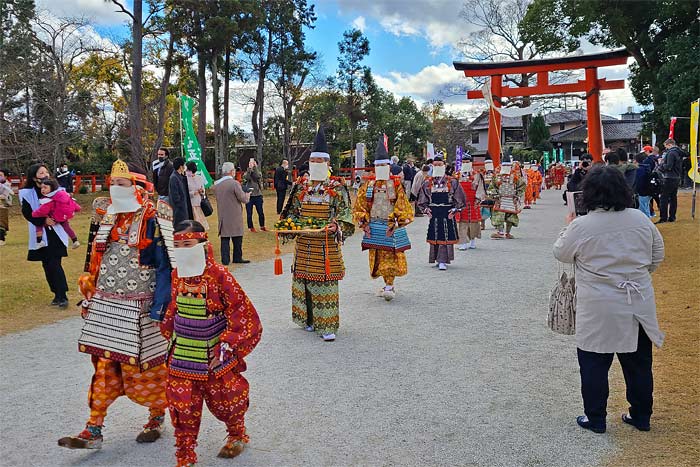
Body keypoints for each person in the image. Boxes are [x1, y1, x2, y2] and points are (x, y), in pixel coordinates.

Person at [58, 160, 172, 450]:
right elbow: (93, 259)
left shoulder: (153, 217)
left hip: (143, 308)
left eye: (122, 184)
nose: (115, 188)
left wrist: (161, 308)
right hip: (108, 305)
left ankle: (157, 415)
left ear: (137, 187)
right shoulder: (105, 215)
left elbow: (166, 266)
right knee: (104, 366)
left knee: (146, 369)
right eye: (112, 183)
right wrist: (90, 293)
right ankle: (93, 427)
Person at [553, 165, 665, 434]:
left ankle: (596, 418)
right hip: (636, 301)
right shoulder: (640, 219)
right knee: (638, 364)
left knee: (594, 363)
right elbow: (656, 256)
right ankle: (641, 416)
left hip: (598, 305)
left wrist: (567, 226)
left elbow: (561, 253)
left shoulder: (582, 225)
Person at [161, 220, 262, 466]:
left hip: (215, 352)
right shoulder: (177, 275)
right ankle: (185, 453)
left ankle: (236, 433)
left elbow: (241, 311)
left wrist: (228, 345)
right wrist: (167, 330)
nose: (183, 249)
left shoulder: (219, 275)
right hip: (184, 352)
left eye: (188, 244)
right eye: (177, 245)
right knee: (181, 403)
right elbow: (174, 309)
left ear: (202, 244)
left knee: (227, 398)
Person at [285, 126, 354, 341]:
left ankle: (327, 325)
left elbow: (345, 213)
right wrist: (291, 226)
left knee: (325, 282)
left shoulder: (337, 186)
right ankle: (309, 319)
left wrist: (337, 226)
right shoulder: (301, 185)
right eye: (313, 162)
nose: (316, 165)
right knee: (304, 281)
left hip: (325, 243)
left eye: (320, 162)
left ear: (327, 163)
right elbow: (292, 212)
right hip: (305, 242)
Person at [353, 136, 414, 301]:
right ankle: (386, 283)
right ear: (374, 167)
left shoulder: (395, 185)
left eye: (383, 165)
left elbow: (402, 205)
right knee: (377, 255)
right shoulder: (368, 185)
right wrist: (363, 221)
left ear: (389, 166)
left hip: (389, 225)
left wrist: (396, 220)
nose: (380, 167)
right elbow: (360, 205)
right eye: (378, 165)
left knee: (390, 255)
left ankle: (389, 285)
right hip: (373, 225)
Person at [18, 163, 70, 307]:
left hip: (56, 232)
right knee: (46, 264)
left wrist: (56, 218)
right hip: (39, 232)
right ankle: (56, 293)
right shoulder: (26, 193)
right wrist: (43, 220)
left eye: (46, 172)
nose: (45, 175)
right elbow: (27, 213)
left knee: (55, 263)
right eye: (41, 173)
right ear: (34, 176)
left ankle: (62, 295)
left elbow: (66, 208)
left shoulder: (58, 190)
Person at [417, 155, 466, 271]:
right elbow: (422, 199)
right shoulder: (427, 182)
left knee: (445, 235)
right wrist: (425, 209)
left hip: (447, 211)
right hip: (434, 212)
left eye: (440, 165)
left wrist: (455, 209)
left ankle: (442, 260)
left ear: (444, 166)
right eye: (435, 165)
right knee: (435, 235)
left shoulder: (452, 181)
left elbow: (460, 198)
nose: (437, 167)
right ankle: (436, 258)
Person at [213, 162, 251, 266]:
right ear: (231, 171)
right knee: (237, 237)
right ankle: (237, 257)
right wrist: (247, 195)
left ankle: (225, 259)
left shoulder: (217, 185)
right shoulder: (234, 184)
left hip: (223, 214)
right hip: (234, 214)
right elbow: (243, 198)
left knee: (225, 238)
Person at [32, 178, 81, 248]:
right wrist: (76, 209)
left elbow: (42, 211)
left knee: (38, 224)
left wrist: (34, 214)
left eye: (45, 187)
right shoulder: (65, 195)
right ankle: (75, 240)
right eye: (41, 188)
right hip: (63, 218)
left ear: (51, 188)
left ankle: (39, 241)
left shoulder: (49, 200)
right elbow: (75, 206)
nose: (42, 189)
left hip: (54, 218)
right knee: (67, 227)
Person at [489, 162, 526, 239]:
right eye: (504, 165)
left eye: (507, 166)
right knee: (499, 215)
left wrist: (517, 195)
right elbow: (492, 186)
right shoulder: (497, 176)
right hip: (500, 199)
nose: (506, 167)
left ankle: (508, 232)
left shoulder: (516, 176)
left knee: (511, 216)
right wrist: (495, 195)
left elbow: (522, 186)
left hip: (511, 199)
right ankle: (500, 232)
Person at [456, 165, 485, 250]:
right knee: (462, 223)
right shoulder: (457, 175)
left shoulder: (476, 175)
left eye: (467, 162)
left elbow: (480, 187)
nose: (465, 163)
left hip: (473, 201)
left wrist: (478, 198)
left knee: (474, 223)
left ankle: (473, 241)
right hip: (461, 202)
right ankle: (463, 243)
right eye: (464, 162)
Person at [656, 138, 683, 223]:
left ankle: (663, 218)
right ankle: (672, 217)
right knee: (673, 198)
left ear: (670, 145)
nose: (666, 148)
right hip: (677, 177)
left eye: (666, 146)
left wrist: (661, 165)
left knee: (664, 198)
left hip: (669, 177)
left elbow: (669, 166)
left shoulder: (671, 153)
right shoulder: (679, 152)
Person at [169, 157, 194, 227]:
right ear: (181, 166)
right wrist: (181, 205)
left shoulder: (180, 176)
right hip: (179, 210)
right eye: (184, 164)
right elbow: (175, 196)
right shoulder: (174, 178)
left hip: (184, 208)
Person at [243, 158, 266, 232]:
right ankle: (251, 227)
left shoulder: (258, 172)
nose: (251, 164)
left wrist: (254, 168)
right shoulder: (246, 172)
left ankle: (262, 226)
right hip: (249, 195)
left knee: (260, 212)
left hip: (258, 195)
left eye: (253, 163)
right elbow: (247, 177)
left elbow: (257, 177)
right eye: (250, 162)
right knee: (249, 213)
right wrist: (249, 169)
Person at [185, 161, 209, 231]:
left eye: (188, 170)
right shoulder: (185, 179)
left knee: (200, 224)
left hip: (198, 204)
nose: (187, 171)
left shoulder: (199, 178)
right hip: (190, 204)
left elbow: (203, 190)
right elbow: (185, 192)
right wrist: (194, 192)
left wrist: (202, 191)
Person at [634, 152, 654, 218]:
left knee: (643, 208)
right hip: (649, 190)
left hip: (642, 191)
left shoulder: (639, 169)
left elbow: (639, 181)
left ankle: (647, 220)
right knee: (646, 206)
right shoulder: (647, 168)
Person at [0, 168, 12, 246]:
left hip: (3, 206)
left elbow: (4, 196)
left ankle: (1, 239)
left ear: (5, 176)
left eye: (1, 175)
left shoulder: (7, 185)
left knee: (1, 223)